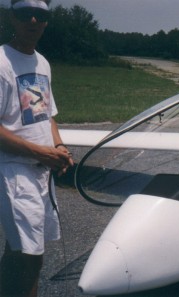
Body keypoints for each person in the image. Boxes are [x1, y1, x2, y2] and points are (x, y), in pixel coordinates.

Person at [0, 1, 74, 296]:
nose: (32, 20)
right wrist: (40, 153)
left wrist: (58, 146)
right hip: (16, 172)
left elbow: (48, 114)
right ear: (11, 17)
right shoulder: (2, 62)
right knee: (31, 258)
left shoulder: (42, 62)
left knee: (17, 251)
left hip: (43, 171)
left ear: (46, 21)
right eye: (24, 14)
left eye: (40, 15)